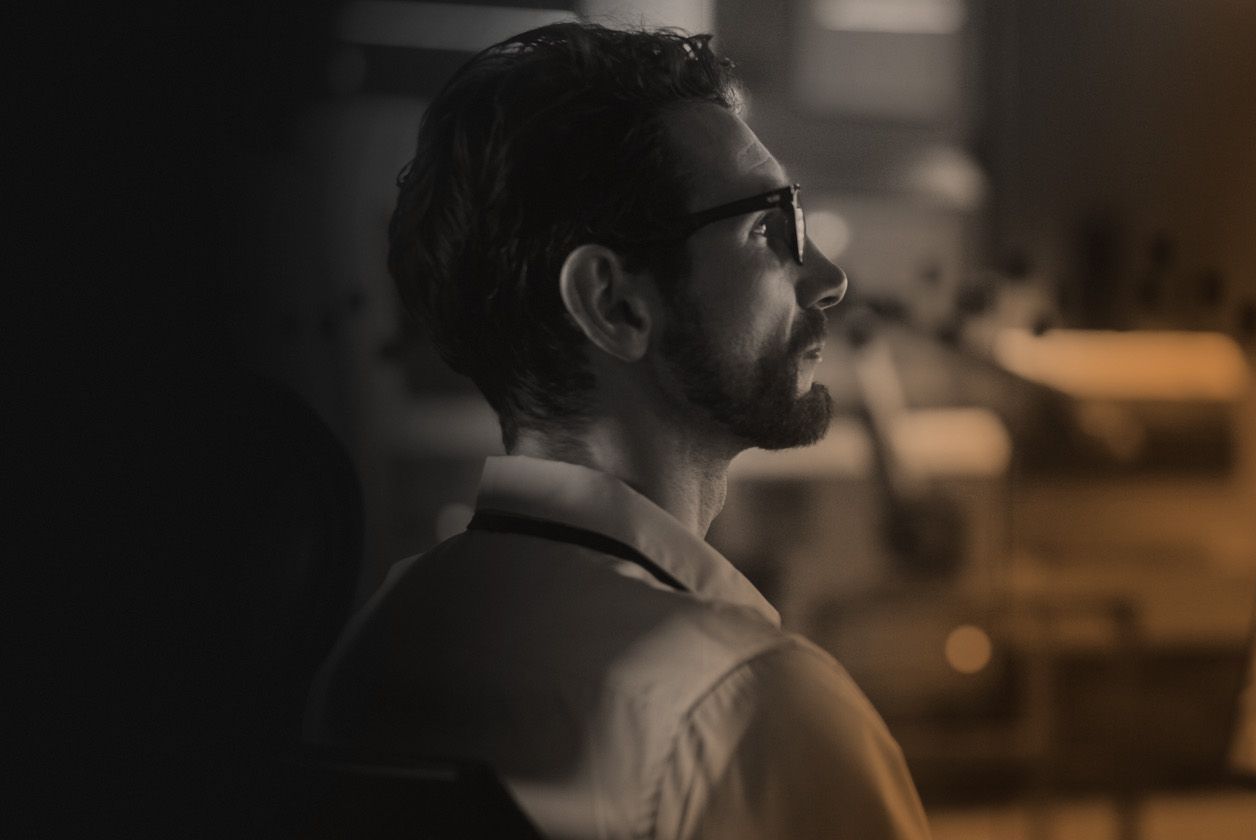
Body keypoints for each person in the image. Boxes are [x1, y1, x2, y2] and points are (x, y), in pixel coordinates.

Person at [305, 23, 931, 840]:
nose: (827, 279)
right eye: (767, 227)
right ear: (613, 303)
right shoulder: (744, 707)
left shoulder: (375, 647)